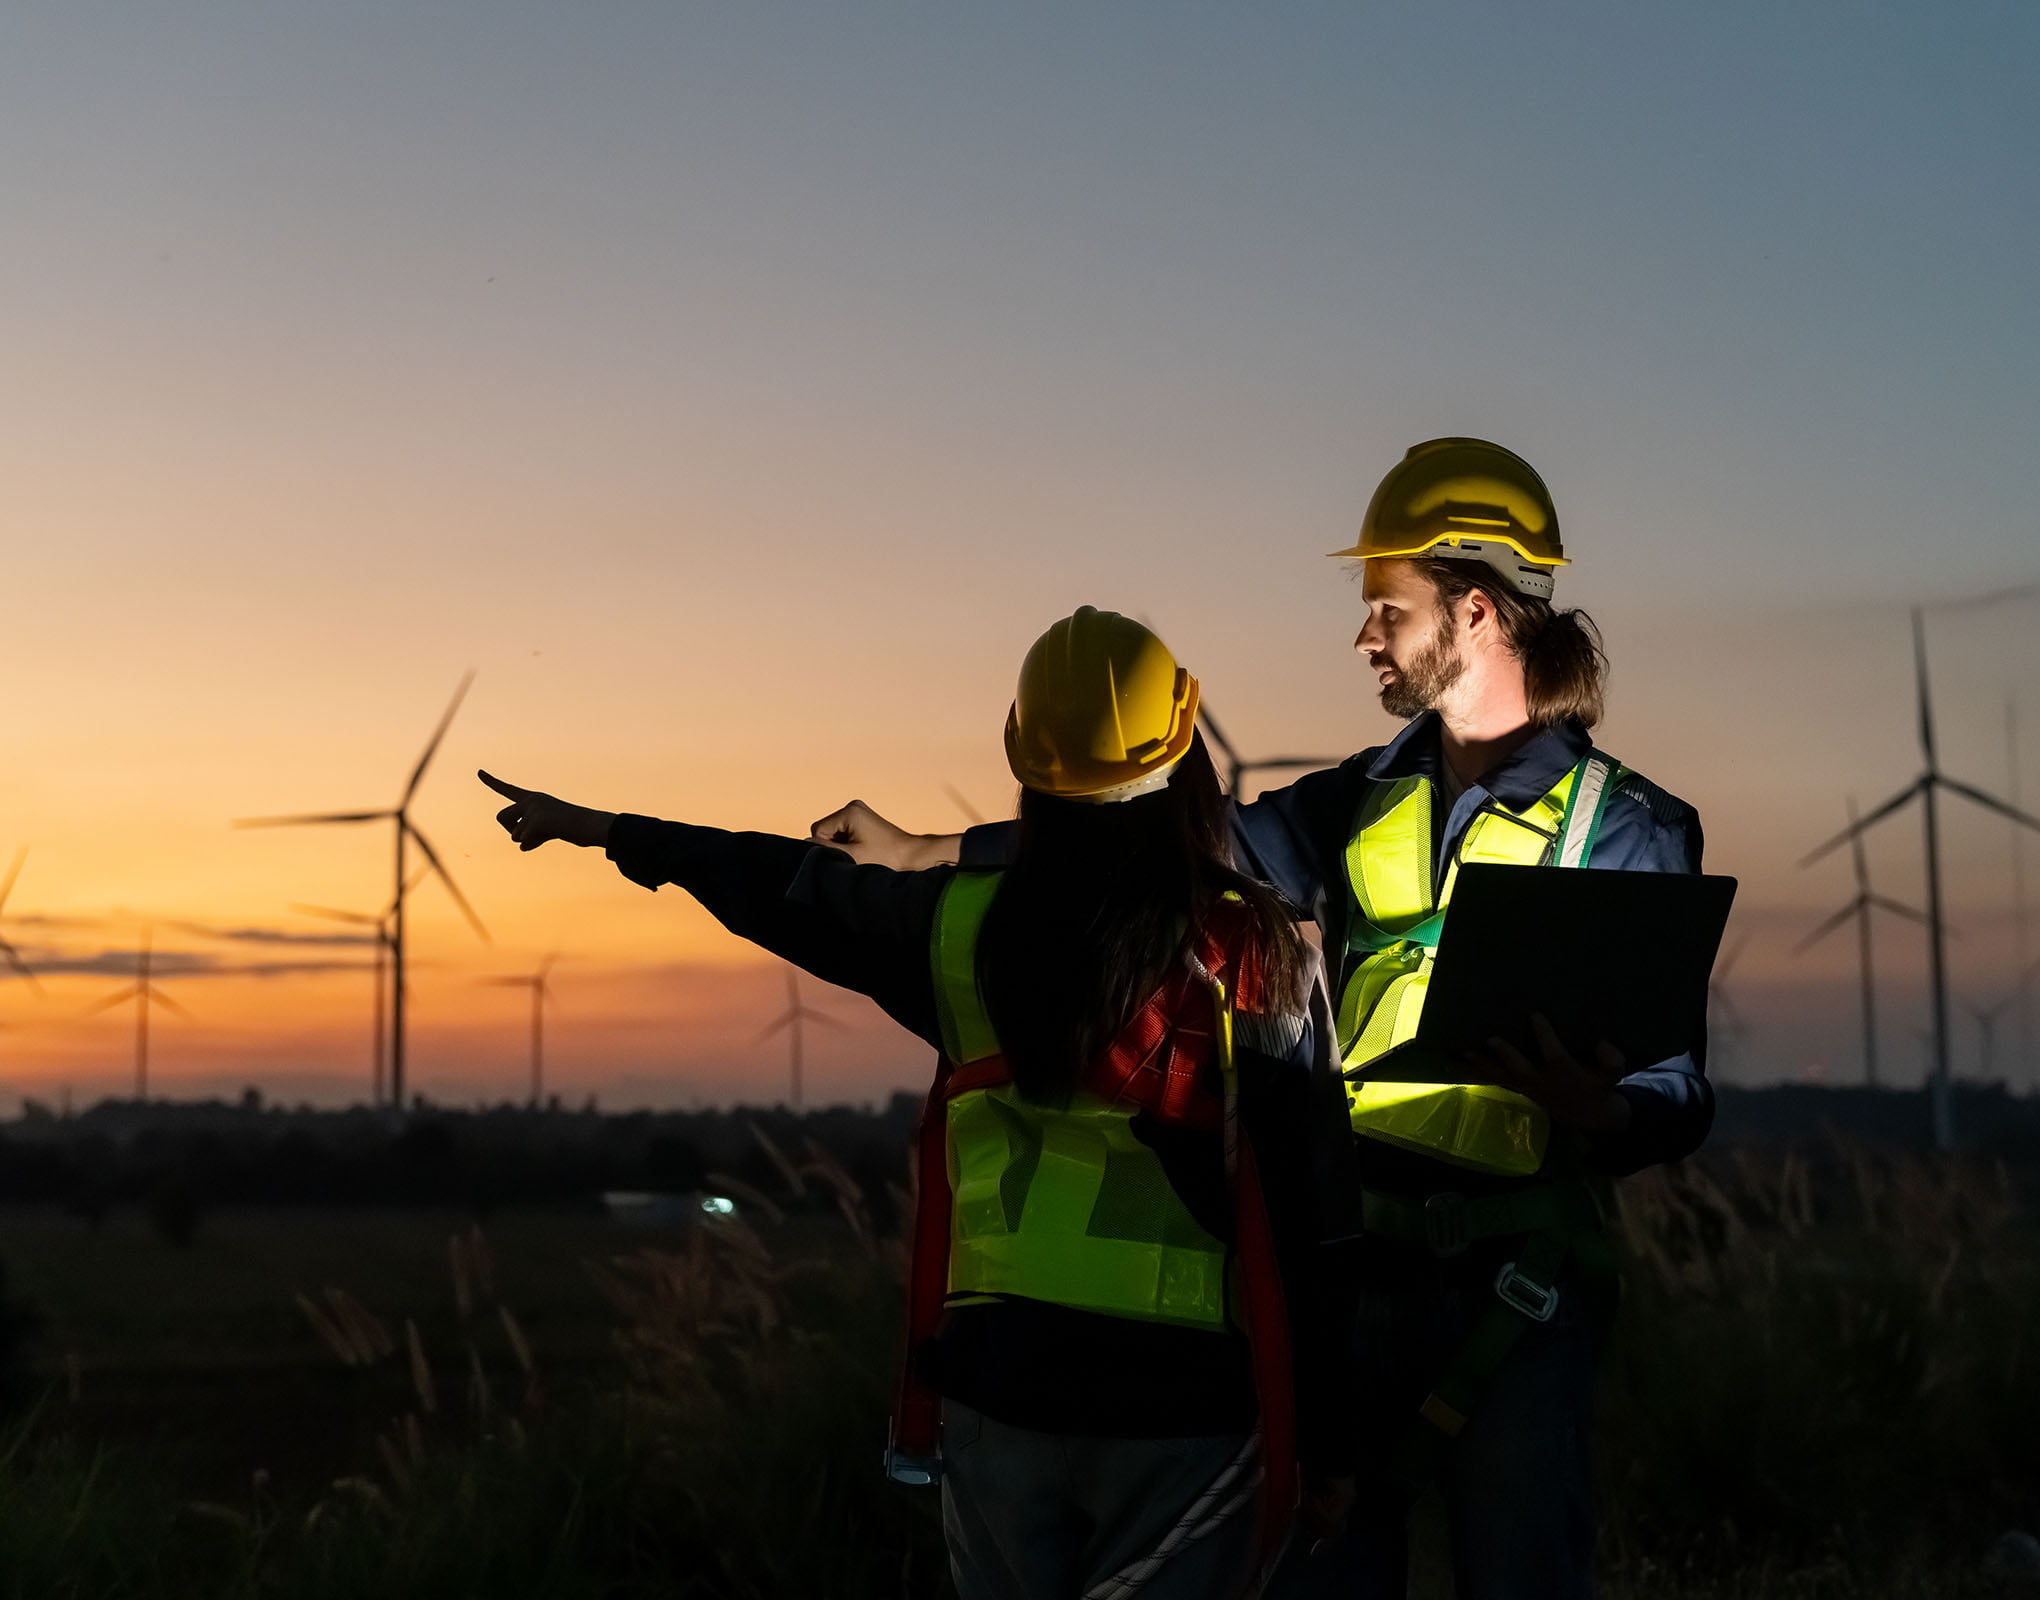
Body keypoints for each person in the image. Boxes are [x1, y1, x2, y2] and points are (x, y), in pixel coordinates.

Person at [813, 439, 1710, 1599]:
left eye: (1387, 610)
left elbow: (1682, 1091)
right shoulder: (1351, 801)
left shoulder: (1632, 828)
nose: (1364, 637)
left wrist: (1602, 1109)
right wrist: (926, 850)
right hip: (1347, 1290)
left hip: (1516, 1298)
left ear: (1477, 612)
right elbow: (1157, 845)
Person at [479, 607, 1360, 1600]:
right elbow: (1320, 1218)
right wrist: (1332, 1450)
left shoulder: (957, 928)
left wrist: (610, 831)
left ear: (1024, 758)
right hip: (1184, 1412)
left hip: (994, 1396)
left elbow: (785, 886)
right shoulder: (1256, 953)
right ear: (1185, 743)